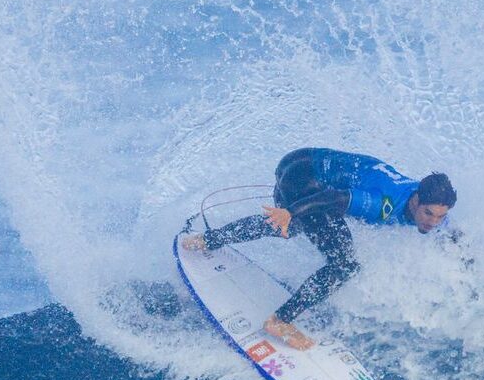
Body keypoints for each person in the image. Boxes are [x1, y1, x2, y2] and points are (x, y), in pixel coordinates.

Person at [182, 148, 457, 350]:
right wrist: (289, 211)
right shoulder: (380, 203)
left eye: (440, 217)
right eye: (428, 214)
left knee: (293, 226)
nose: (433, 223)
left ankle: (207, 240)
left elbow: (448, 229)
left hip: (301, 161)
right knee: (344, 265)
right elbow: (331, 198)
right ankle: (280, 321)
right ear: (416, 200)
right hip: (302, 179)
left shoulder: (432, 204)